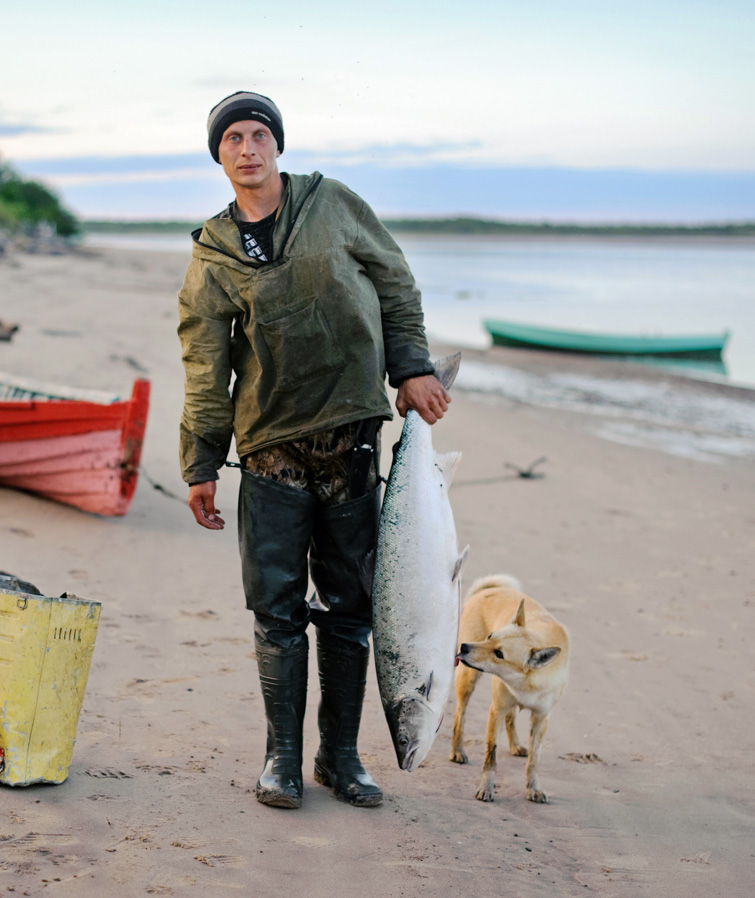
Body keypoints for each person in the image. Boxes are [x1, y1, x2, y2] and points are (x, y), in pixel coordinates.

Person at [177, 91, 449, 809]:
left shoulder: (334, 205)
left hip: (353, 440)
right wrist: (201, 462)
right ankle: (283, 759)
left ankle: (342, 756)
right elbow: (206, 365)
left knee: (351, 606)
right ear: (220, 155)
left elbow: (394, 282)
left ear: (277, 145)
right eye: (232, 137)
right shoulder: (212, 254)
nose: (247, 148)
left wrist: (412, 365)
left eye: (258, 134)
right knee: (276, 611)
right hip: (269, 450)